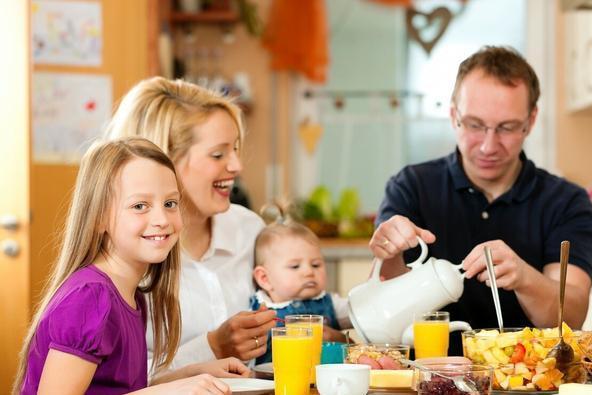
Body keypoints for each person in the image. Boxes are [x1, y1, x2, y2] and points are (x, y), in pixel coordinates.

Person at [369, 46, 592, 355]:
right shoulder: (411, 187)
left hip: (527, 381)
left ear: (530, 121)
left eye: (506, 127)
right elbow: (384, 306)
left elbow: (571, 316)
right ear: (453, 116)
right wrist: (389, 251)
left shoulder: (567, 202)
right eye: (475, 125)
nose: (489, 146)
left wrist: (524, 277)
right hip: (425, 375)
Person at [14, 138, 246, 395]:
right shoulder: (91, 298)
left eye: (170, 203)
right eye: (139, 206)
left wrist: (190, 376)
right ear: (99, 218)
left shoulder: (132, 295)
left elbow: (119, 389)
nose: (161, 219)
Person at [104, 77, 276, 376]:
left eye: (235, 149)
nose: (237, 165)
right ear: (163, 159)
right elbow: (110, 379)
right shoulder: (126, 254)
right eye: (218, 154)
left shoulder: (248, 229)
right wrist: (211, 348)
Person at [249, 204, 351, 364]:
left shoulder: (332, 303)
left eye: (316, 264)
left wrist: (342, 339)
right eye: (295, 266)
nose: (309, 272)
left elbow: (360, 313)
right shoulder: (255, 313)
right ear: (264, 278)